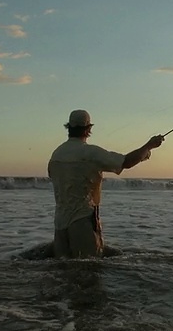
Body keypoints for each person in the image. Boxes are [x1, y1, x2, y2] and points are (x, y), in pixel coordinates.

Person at [48, 109, 164, 259]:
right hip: (83, 221)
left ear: (68, 127)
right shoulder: (90, 153)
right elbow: (126, 162)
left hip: (60, 224)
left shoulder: (56, 154)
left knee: (63, 270)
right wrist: (149, 146)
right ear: (88, 129)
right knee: (89, 268)